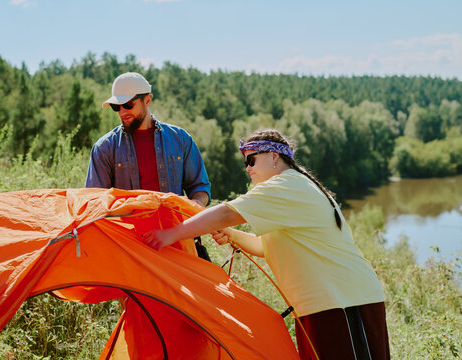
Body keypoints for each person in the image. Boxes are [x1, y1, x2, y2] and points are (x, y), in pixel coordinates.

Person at [144, 129, 390, 360]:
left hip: (344, 301)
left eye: (251, 160)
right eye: (245, 163)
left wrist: (171, 234)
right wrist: (231, 235)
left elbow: (225, 213)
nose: (247, 169)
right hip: (324, 303)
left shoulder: (286, 185)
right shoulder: (292, 188)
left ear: (274, 157)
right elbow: (265, 247)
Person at [86, 71, 212, 257]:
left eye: (128, 104)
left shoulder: (180, 139)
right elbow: (95, 204)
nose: (122, 111)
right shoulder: (105, 148)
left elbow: (200, 188)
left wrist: (195, 208)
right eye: (116, 107)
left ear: (147, 100)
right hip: (129, 249)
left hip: (176, 243)